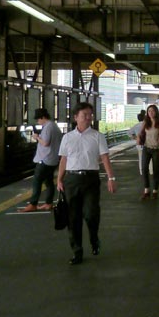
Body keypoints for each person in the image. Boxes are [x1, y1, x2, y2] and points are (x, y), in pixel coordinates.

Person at [56, 102, 117, 265]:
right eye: (85, 115)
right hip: (71, 179)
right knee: (73, 218)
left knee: (91, 214)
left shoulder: (98, 136)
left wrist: (111, 179)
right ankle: (77, 252)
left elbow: (104, 158)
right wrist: (59, 179)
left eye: (90, 115)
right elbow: (63, 159)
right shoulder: (67, 138)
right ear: (76, 117)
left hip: (91, 179)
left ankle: (94, 238)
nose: (89, 118)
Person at [20, 107, 61, 212]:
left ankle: (33, 204)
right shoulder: (54, 126)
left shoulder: (48, 127)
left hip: (45, 159)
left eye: (38, 119)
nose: (38, 121)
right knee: (49, 181)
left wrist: (37, 137)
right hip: (53, 159)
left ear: (43, 117)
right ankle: (48, 203)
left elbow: (45, 143)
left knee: (36, 181)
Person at [140, 105, 159, 200]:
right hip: (146, 148)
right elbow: (141, 132)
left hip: (156, 149)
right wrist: (137, 137)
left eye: (153, 111)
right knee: (144, 168)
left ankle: (155, 190)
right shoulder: (146, 122)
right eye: (149, 111)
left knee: (156, 170)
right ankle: (146, 190)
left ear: (156, 112)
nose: (151, 112)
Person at [129, 109, 146, 181]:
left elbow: (129, 133)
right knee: (148, 157)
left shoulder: (136, 126)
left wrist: (135, 138)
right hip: (146, 142)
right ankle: (150, 171)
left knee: (140, 158)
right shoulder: (146, 124)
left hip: (139, 143)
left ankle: (141, 171)